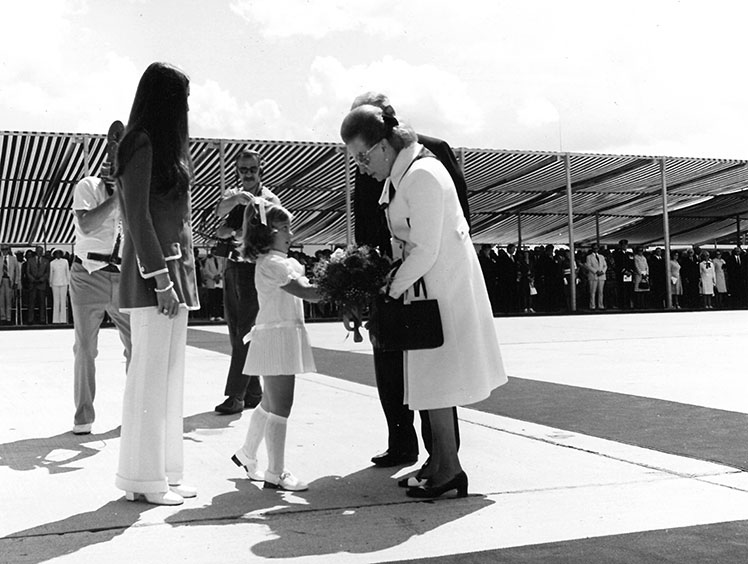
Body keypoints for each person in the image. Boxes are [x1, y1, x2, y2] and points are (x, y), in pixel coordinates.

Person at [340, 104, 507, 499]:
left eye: (363, 157)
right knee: (429, 379)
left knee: (439, 378)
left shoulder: (423, 175)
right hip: (425, 289)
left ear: (383, 146)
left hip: (441, 290)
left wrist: (387, 291)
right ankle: (438, 464)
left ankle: (450, 470)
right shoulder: (403, 173)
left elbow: (426, 249)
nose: (361, 167)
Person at [349, 92, 466, 473]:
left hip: (424, 276)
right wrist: (369, 283)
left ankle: (442, 456)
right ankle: (401, 443)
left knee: (433, 365)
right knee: (394, 365)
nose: (363, 163)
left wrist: (393, 284)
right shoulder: (370, 165)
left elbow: (452, 220)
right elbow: (366, 227)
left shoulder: (428, 157)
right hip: (392, 271)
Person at [114, 62, 199, 506]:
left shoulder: (163, 147)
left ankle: (163, 472)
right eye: (182, 97)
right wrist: (162, 280)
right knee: (148, 380)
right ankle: (142, 478)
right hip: (156, 279)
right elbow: (137, 217)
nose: (187, 106)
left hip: (174, 275)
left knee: (167, 379)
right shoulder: (140, 143)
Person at [231, 199, 320, 491]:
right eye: (284, 229)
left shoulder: (280, 263)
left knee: (270, 403)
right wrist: (339, 284)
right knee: (282, 406)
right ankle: (275, 472)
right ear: (269, 233)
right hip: (277, 338)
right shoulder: (272, 264)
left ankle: (246, 454)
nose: (290, 235)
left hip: (276, 336)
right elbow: (307, 292)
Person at [69, 120, 132, 435]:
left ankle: (134, 413)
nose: (115, 159)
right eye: (112, 149)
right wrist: (117, 198)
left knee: (136, 345)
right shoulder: (87, 186)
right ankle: (84, 416)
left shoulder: (135, 189)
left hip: (123, 276)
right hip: (88, 275)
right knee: (85, 347)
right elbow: (88, 225)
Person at [213, 150, 281, 415]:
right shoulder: (233, 195)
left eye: (252, 169)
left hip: (253, 269)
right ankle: (253, 391)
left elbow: (273, 231)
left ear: (260, 169)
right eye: (243, 169)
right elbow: (218, 218)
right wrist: (236, 202)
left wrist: (240, 230)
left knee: (244, 331)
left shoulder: (268, 199)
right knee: (235, 331)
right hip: (232, 266)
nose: (248, 174)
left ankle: (235, 395)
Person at [26, 245, 49, 324]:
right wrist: (33, 279)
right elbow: (28, 272)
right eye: (38, 251)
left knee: (42, 303)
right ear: (36, 251)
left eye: (41, 251)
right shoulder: (30, 260)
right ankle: (30, 320)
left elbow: (47, 272)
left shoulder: (46, 261)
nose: (40, 252)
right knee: (31, 303)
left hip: (41, 284)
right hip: (33, 284)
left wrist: (41, 279)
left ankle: (42, 319)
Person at [0, 244, 21, 324]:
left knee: (9, 300)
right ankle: (2, 318)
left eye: (5, 249)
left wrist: (16, 282)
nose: (4, 251)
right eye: (2, 249)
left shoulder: (13, 259)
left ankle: (9, 318)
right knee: (1, 301)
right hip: (1, 281)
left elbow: (17, 271)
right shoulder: (0, 259)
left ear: (8, 250)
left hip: (9, 280)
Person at [49, 250, 70, 323]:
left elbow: (67, 272)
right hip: (55, 283)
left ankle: (63, 319)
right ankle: (55, 320)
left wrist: (68, 283)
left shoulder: (65, 261)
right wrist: (50, 283)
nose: (58, 254)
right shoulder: (52, 263)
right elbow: (51, 274)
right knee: (56, 301)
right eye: (56, 253)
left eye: (59, 253)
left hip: (64, 283)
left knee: (63, 301)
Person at [584, 243, 607, 310]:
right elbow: (588, 266)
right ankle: (592, 306)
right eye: (594, 248)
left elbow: (605, 265)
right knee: (592, 292)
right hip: (593, 276)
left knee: (601, 292)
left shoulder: (601, 257)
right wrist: (596, 271)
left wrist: (602, 271)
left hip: (602, 276)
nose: (595, 249)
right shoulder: (589, 257)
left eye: (597, 248)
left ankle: (601, 305)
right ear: (592, 249)